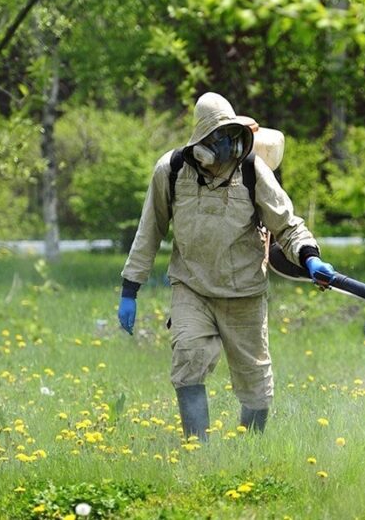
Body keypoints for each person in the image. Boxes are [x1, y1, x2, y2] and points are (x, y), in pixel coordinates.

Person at [117, 92, 335, 440]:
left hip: (244, 291)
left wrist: (310, 257)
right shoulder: (171, 170)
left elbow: (286, 224)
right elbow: (150, 230)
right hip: (192, 287)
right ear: (202, 139)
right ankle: (197, 449)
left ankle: (250, 448)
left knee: (255, 382)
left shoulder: (252, 170)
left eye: (231, 135)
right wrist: (130, 288)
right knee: (188, 358)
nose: (227, 145)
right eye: (218, 136)